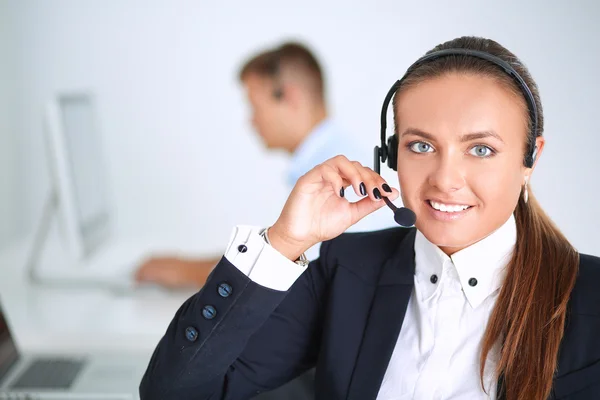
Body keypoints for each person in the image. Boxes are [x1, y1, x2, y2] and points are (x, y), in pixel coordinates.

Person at [139, 36, 600, 400]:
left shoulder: (591, 299)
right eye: (421, 146)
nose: (445, 179)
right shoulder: (346, 271)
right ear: (391, 155)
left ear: (529, 159)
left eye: (481, 149)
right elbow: (172, 391)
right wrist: (283, 241)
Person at [134, 41, 388, 289]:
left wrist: (186, 272)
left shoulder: (335, 177)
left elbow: (286, 278)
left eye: (255, 106)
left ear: (289, 97)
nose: (251, 121)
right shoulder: (331, 161)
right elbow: (281, 253)